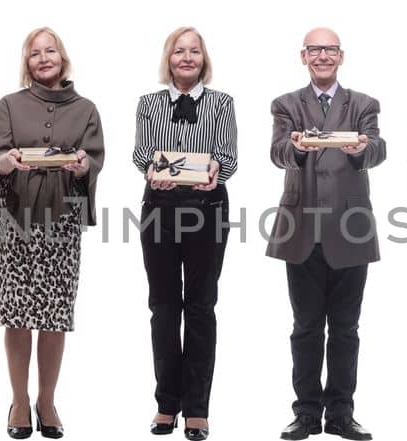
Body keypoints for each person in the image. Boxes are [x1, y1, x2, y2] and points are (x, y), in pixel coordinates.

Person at [0, 26, 105, 440]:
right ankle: (19, 400)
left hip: (62, 218)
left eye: (50, 50)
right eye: (35, 53)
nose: (44, 57)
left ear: (63, 58)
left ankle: (46, 400)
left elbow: (93, 159)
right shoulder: (8, 105)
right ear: (27, 63)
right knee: (16, 311)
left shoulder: (86, 108)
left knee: (54, 314)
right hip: (15, 215)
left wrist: (83, 165)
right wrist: (8, 160)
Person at [268, 27, 385, 441]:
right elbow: (278, 151)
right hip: (301, 228)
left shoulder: (363, 104)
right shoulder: (286, 104)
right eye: (314, 49)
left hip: (350, 228)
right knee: (305, 327)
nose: (322, 56)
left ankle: (341, 414)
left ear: (341, 56)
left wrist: (362, 150)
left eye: (329, 49)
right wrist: (297, 146)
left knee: (346, 328)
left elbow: (378, 148)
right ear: (304, 56)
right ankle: (305, 414)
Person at [133, 26, 236, 441]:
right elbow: (142, 154)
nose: (187, 58)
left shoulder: (222, 102)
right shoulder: (149, 103)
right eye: (180, 51)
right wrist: (152, 172)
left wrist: (216, 170)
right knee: (162, 306)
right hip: (159, 205)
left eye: (195, 51)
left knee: (200, 306)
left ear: (203, 58)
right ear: (169, 58)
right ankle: (165, 403)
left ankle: (197, 408)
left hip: (207, 207)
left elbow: (227, 155)